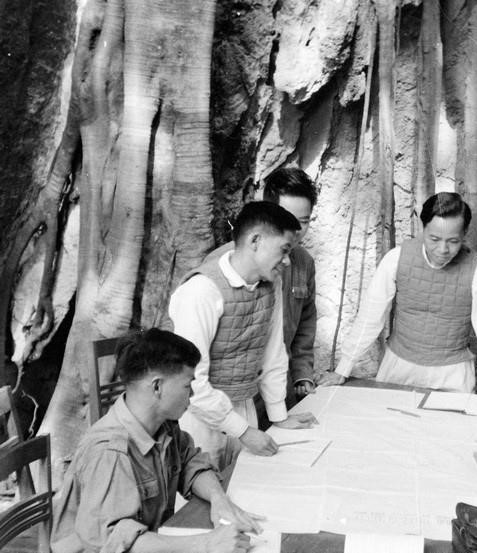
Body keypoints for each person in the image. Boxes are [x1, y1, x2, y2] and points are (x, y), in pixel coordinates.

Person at [317, 192, 477, 404]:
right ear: (422, 228)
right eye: (434, 238)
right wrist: (342, 369)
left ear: (464, 235)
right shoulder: (396, 259)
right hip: (398, 366)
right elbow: (370, 315)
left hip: (452, 374)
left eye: (453, 241)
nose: (442, 249)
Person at [52, 329, 262, 553]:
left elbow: (192, 463)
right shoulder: (110, 453)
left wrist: (219, 499)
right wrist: (206, 544)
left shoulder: (163, 424)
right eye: (186, 385)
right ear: (157, 387)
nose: (191, 394)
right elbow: (113, 543)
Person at [168, 201, 317, 469]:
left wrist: (278, 416)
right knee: (200, 501)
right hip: (197, 420)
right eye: (283, 250)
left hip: (244, 409)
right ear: (255, 240)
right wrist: (244, 432)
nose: (286, 261)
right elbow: (191, 383)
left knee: (245, 490)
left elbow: (274, 355)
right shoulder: (201, 291)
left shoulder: (273, 284)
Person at [207, 167, 319, 408]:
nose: (297, 231)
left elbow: (305, 324)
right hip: (227, 397)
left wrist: (302, 373)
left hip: (279, 385)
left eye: (304, 221)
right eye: (289, 219)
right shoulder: (220, 266)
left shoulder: (304, 263)